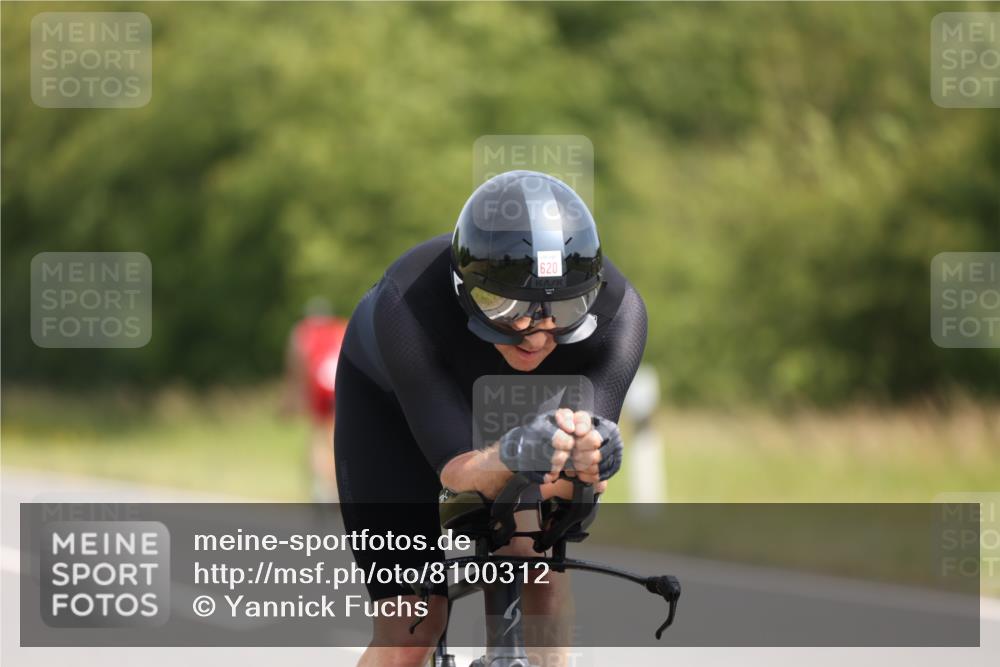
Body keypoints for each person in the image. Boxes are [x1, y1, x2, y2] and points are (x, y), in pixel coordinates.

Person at [334, 170, 647, 667]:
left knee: (535, 567)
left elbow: (573, 485)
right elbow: (458, 471)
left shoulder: (620, 316)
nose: (535, 336)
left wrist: (590, 460)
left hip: (520, 421)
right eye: (506, 310)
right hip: (392, 409)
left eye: (561, 313)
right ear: (466, 288)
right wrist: (522, 451)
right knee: (412, 626)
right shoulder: (409, 302)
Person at [282, 297, 348, 502]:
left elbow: (296, 364)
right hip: (337, 385)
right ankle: (334, 485)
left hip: (317, 386)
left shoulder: (302, 332)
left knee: (318, 436)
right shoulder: (339, 327)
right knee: (334, 436)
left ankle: (322, 487)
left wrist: (294, 394)